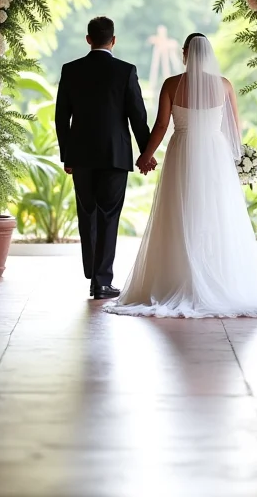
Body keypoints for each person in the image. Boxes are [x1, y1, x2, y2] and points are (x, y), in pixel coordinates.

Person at [104, 34, 257, 319]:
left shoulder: (171, 84)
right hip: (214, 153)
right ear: (208, 55)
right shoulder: (224, 85)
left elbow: (161, 125)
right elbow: (234, 128)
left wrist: (146, 155)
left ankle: (177, 278)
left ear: (185, 53)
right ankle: (217, 277)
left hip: (182, 150)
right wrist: (235, 159)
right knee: (215, 212)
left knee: (180, 211)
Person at [56, 16, 152, 300]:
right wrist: (146, 152)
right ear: (114, 40)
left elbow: (61, 117)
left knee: (87, 213)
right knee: (108, 216)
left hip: (81, 155)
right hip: (115, 155)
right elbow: (138, 116)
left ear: (88, 39)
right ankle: (101, 281)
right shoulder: (125, 71)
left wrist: (67, 155)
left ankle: (92, 272)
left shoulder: (71, 69)